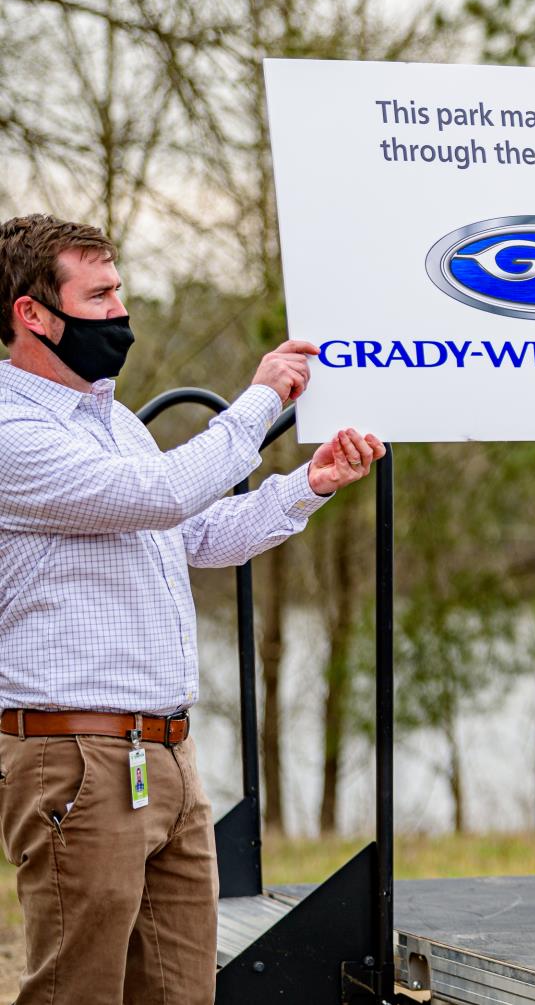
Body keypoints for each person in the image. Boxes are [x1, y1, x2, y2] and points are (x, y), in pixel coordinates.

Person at [0, 213, 384, 1003]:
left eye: (120, 291)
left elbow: (196, 532)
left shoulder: (114, 423)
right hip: (76, 756)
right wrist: (258, 398)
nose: (120, 313)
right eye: (100, 294)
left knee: (182, 993)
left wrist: (305, 486)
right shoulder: (14, 430)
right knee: (77, 990)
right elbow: (163, 493)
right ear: (31, 314)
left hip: (168, 753)